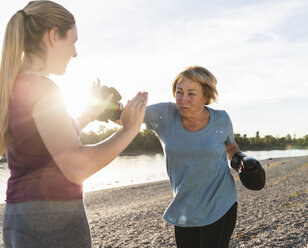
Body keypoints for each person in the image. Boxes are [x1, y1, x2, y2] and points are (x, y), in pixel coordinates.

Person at [0, 1, 147, 247]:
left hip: (18, 214)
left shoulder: (14, 86)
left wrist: (89, 114)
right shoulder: (43, 89)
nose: (75, 52)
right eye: (73, 41)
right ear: (53, 36)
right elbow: (76, 166)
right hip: (52, 217)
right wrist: (129, 130)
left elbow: (45, 143)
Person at [144, 66, 245, 248]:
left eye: (191, 94)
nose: (183, 100)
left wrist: (241, 162)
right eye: (179, 92)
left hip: (220, 204)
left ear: (206, 97)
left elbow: (230, 148)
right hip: (184, 208)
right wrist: (109, 107)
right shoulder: (164, 115)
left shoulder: (221, 120)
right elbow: (127, 117)